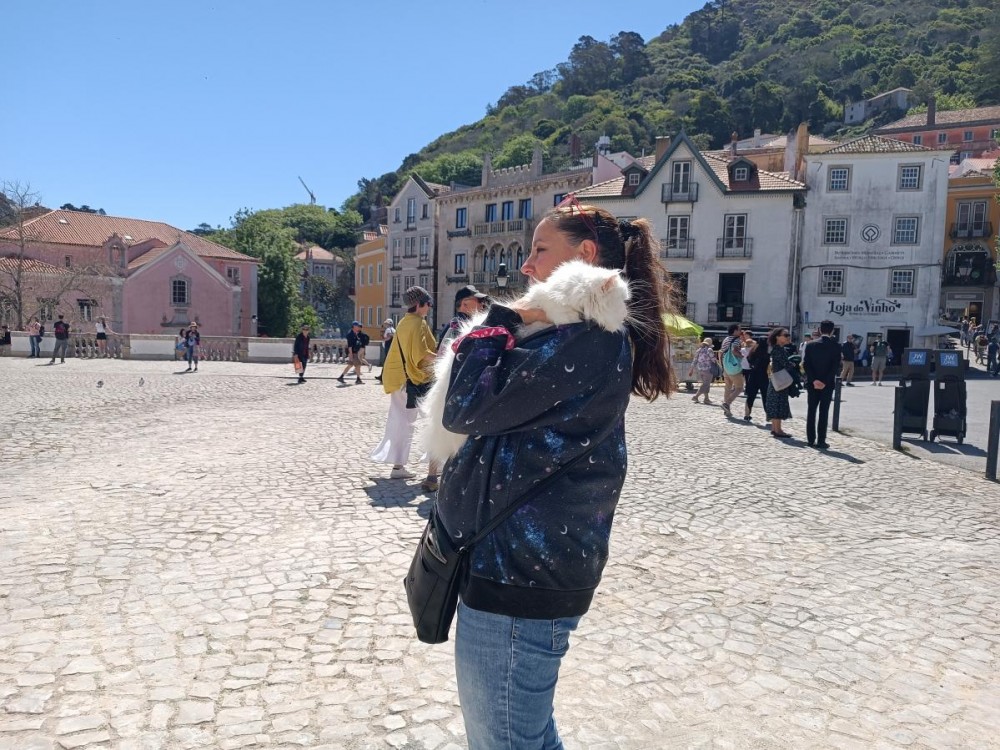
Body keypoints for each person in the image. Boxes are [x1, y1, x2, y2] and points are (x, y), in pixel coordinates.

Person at [430, 202, 673, 747]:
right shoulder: (574, 337)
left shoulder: (586, 340)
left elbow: (464, 407)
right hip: (520, 568)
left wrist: (502, 318)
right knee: (526, 733)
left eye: (539, 250)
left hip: (519, 578)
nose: (527, 266)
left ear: (584, 254)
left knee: (506, 739)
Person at [369, 286, 437, 485]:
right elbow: (421, 354)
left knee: (400, 421)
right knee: (433, 419)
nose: (429, 307)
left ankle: (398, 466)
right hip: (413, 380)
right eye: (428, 303)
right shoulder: (418, 323)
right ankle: (436, 463)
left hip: (398, 377)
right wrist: (445, 358)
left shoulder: (404, 322)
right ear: (420, 304)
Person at [803, 319, 842, 450]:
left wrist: (814, 380)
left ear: (820, 330)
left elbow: (806, 364)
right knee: (824, 412)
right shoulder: (836, 346)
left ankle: (810, 439)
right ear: (832, 331)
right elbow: (835, 367)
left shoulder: (810, 345)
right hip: (827, 384)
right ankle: (821, 440)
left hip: (812, 383)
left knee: (811, 410)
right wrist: (824, 381)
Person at [765, 327, 794, 438]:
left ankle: (774, 428)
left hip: (776, 379)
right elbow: (786, 364)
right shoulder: (779, 350)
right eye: (785, 335)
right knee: (778, 403)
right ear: (777, 337)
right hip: (780, 379)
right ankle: (778, 430)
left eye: (788, 335)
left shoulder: (776, 348)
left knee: (775, 402)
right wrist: (793, 364)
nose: (788, 337)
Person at [719, 323, 743, 417]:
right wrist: (743, 356)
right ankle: (727, 404)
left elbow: (721, 352)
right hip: (734, 367)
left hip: (726, 366)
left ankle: (727, 410)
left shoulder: (726, 339)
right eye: (739, 329)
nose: (741, 331)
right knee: (739, 388)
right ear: (735, 331)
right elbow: (734, 351)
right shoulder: (736, 340)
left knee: (728, 388)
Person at [743, 333, 769, 421]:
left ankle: (747, 414)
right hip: (763, 375)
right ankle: (768, 415)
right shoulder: (767, 352)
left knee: (751, 396)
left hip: (753, 374)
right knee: (765, 396)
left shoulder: (753, 350)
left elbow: (748, 359)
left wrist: (752, 365)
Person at [688, 338, 716, 404]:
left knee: (706, 384)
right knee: (706, 384)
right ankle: (696, 396)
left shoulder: (699, 350)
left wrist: (691, 369)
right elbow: (713, 359)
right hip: (708, 369)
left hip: (700, 369)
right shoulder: (709, 350)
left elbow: (695, 360)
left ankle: (706, 398)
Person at [375, 318, 395, 383]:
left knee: (386, 363)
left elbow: (389, 336)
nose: (385, 324)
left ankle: (383, 377)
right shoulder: (394, 330)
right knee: (388, 363)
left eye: (386, 323)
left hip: (388, 347)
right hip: (392, 348)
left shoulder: (388, 329)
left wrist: (383, 339)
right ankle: (382, 376)